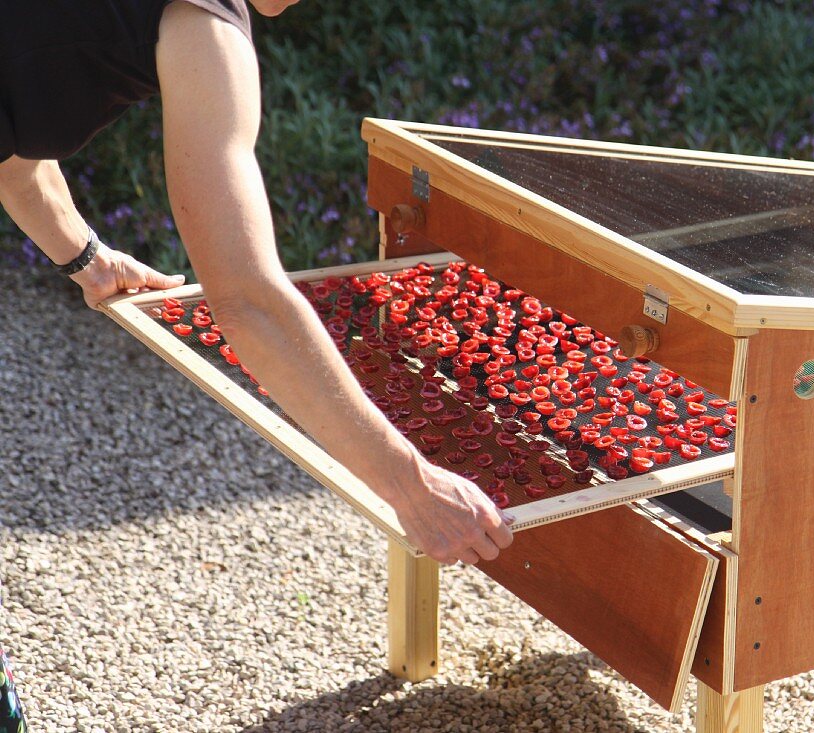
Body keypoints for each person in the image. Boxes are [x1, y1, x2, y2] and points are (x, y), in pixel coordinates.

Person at [0, 1, 513, 728]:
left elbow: (14, 150)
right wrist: (410, 482)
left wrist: (86, 255)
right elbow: (247, 301)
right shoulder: (202, 26)